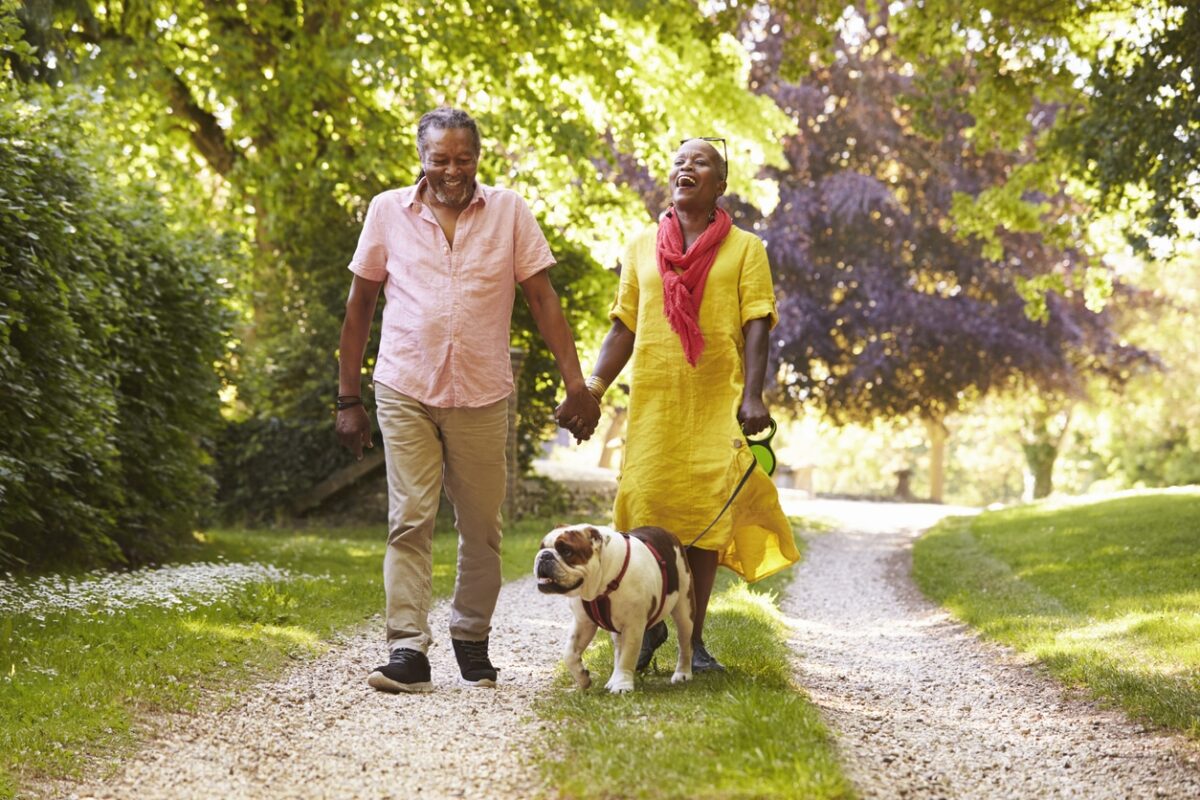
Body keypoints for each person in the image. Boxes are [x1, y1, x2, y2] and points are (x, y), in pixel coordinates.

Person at [336, 107, 600, 693]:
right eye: (440, 160)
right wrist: (347, 398)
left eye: (464, 159)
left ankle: (471, 635)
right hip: (405, 385)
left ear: (478, 158)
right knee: (409, 520)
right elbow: (359, 306)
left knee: (482, 527)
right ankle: (407, 650)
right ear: (422, 160)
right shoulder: (387, 211)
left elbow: (542, 298)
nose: (453, 170)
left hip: (481, 393)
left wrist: (575, 383)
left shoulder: (509, 211)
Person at [570, 137, 800, 673]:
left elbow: (757, 323)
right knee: (646, 510)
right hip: (654, 404)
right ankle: (644, 630)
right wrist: (594, 388)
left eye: (700, 161)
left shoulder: (746, 249)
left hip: (717, 400)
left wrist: (754, 395)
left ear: (720, 184)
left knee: (704, 520)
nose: (685, 167)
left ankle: (691, 643)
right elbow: (624, 326)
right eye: (679, 162)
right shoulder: (640, 246)